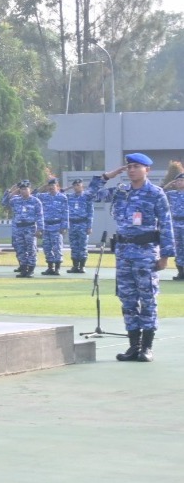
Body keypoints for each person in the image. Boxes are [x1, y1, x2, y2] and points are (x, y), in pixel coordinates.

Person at [89, 155, 174, 361]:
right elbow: (90, 196)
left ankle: (147, 347)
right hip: (124, 253)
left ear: (147, 170)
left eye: (136, 166)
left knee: (147, 298)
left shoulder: (155, 193)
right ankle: (133, 346)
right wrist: (106, 176)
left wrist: (165, 255)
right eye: (129, 167)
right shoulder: (120, 192)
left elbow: (165, 224)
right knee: (127, 300)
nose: (131, 170)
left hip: (146, 253)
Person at [2, 180, 44, 278]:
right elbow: (4, 202)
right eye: (21, 189)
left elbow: (40, 216)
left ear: (30, 189)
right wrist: (13, 190)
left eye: (25, 189)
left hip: (30, 227)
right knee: (21, 249)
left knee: (31, 249)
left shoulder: (35, 201)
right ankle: (23, 269)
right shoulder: (15, 200)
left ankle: (31, 269)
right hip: (19, 228)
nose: (23, 191)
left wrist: (40, 229)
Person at [37, 177, 69, 275]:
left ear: (57, 187)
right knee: (46, 248)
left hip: (57, 226)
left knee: (57, 248)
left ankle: (57, 269)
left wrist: (64, 227)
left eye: (53, 186)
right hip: (46, 226)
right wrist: (43, 186)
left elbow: (65, 212)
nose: (51, 188)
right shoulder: (43, 197)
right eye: (49, 186)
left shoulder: (62, 198)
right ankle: (50, 267)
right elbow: (33, 193)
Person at [65, 178, 94, 274]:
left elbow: (90, 212)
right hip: (72, 224)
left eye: (78, 185)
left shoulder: (87, 197)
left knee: (82, 246)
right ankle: (75, 266)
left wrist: (89, 226)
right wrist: (67, 188)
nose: (76, 187)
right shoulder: (69, 197)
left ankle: (82, 266)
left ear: (82, 186)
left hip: (83, 224)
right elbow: (59, 193)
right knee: (73, 246)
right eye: (75, 185)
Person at [166, 168, 184, 281]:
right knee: (178, 249)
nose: (179, 182)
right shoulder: (171, 194)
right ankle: (180, 272)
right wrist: (169, 184)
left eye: (182, 180)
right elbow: (158, 193)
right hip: (176, 224)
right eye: (178, 181)